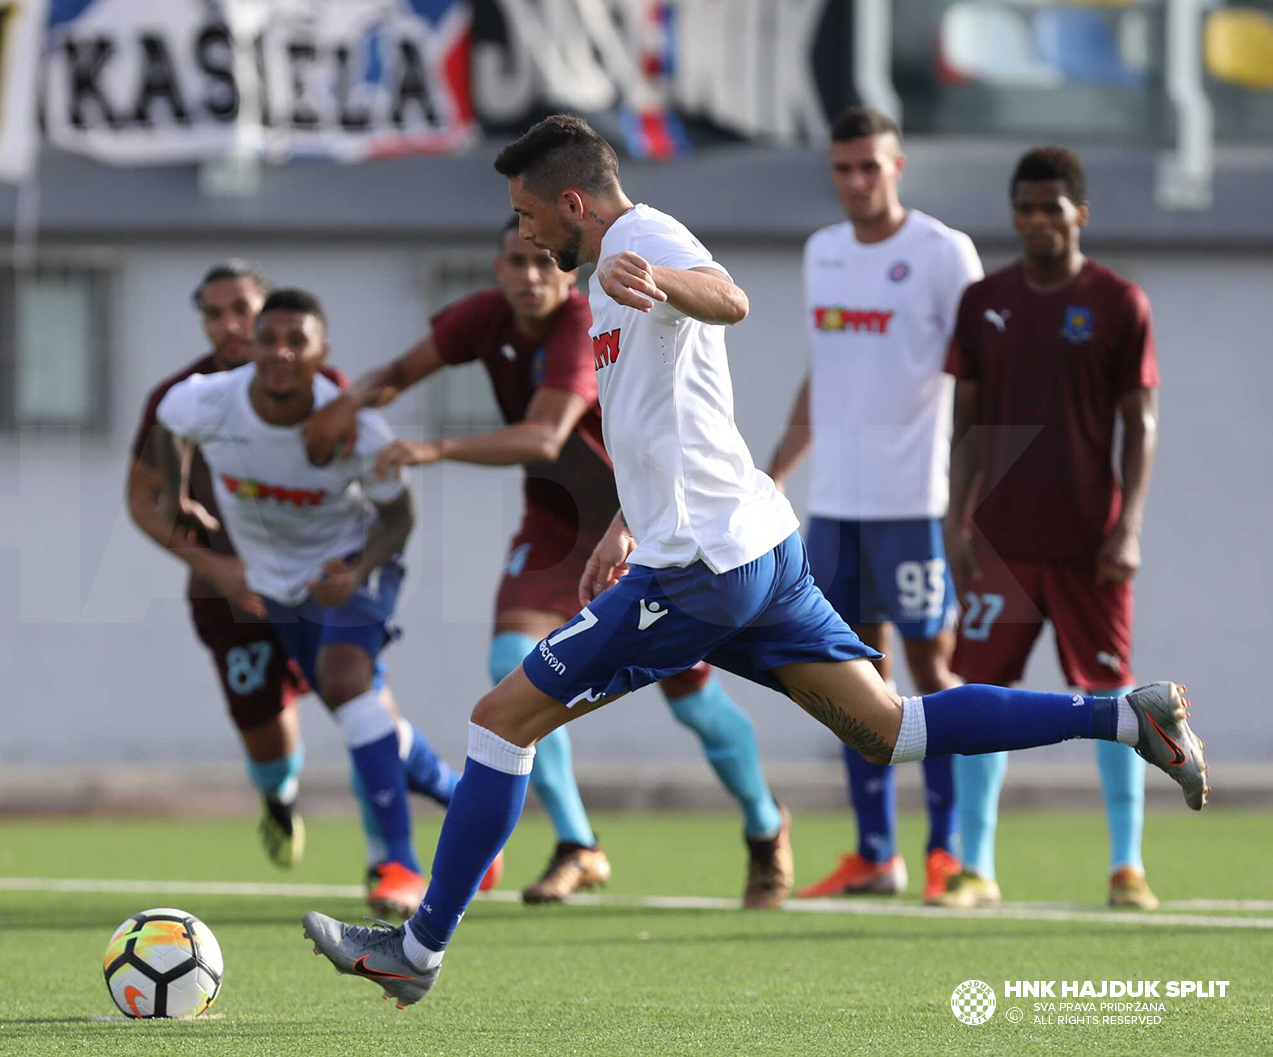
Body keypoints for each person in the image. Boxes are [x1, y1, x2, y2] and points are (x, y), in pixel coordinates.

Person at [299, 115, 1205, 1008]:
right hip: (749, 544)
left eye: (531, 216)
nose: (527, 235)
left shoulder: (642, 239)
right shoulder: (600, 276)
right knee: (890, 728)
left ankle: (417, 948)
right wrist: (624, 519)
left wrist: (657, 275)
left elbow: (731, 298)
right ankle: (1128, 717)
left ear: (572, 201)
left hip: (702, 567)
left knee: (501, 720)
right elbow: (661, 415)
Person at [303, 218, 792, 907]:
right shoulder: (482, 318)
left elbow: (543, 435)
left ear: (568, 270)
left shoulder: (582, 324)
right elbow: (398, 373)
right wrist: (346, 406)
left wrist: (431, 450)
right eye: (513, 262)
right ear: (496, 268)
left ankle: (766, 827)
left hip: (648, 525)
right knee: (515, 661)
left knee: (694, 701)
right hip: (557, 526)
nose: (529, 276)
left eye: (542, 262)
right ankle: (577, 843)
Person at [156, 288, 484, 918]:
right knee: (354, 708)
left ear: (321, 352)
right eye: (269, 338)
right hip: (279, 584)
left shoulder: (356, 428)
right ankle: (464, 803)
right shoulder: (208, 400)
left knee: (343, 680)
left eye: (296, 341)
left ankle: (399, 865)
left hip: (354, 566)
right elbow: (172, 425)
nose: (280, 352)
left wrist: (358, 567)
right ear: (250, 347)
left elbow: (400, 515)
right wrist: (178, 497)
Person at [938, 147, 1165, 910]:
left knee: (1110, 693)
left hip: (1087, 544)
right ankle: (975, 866)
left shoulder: (1119, 303)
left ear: (1080, 214)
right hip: (999, 541)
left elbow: (1142, 424)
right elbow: (964, 421)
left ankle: (1126, 866)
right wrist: (954, 518)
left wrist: (1128, 525)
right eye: (1026, 208)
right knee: (980, 693)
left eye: (1052, 208)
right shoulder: (983, 302)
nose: (1037, 220)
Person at [766, 107, 980, 902]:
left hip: (916, 504)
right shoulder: (822, 252)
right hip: (837, 509)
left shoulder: (942, 252)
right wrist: (774, 472)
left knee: (930, 669)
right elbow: (824, 376)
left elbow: (980, 377)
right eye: (843, 168)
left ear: (897, 167)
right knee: (850, 677)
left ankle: (948, 852)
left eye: (870, 167)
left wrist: (969, 500)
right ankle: (875, 852)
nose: (856, 182)